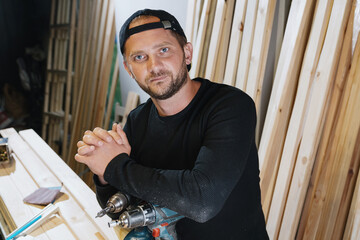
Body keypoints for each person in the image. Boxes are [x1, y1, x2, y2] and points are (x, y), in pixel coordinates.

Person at [75, 9, 269, 240]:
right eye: (139, 57)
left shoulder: (229, 106)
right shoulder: (137, 121)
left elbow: (203, 202)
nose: (154, 66)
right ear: (129, 69)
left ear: (187, 53)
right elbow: (122, 211)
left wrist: (115, 166)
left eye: (163, 50)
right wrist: (104, 173)